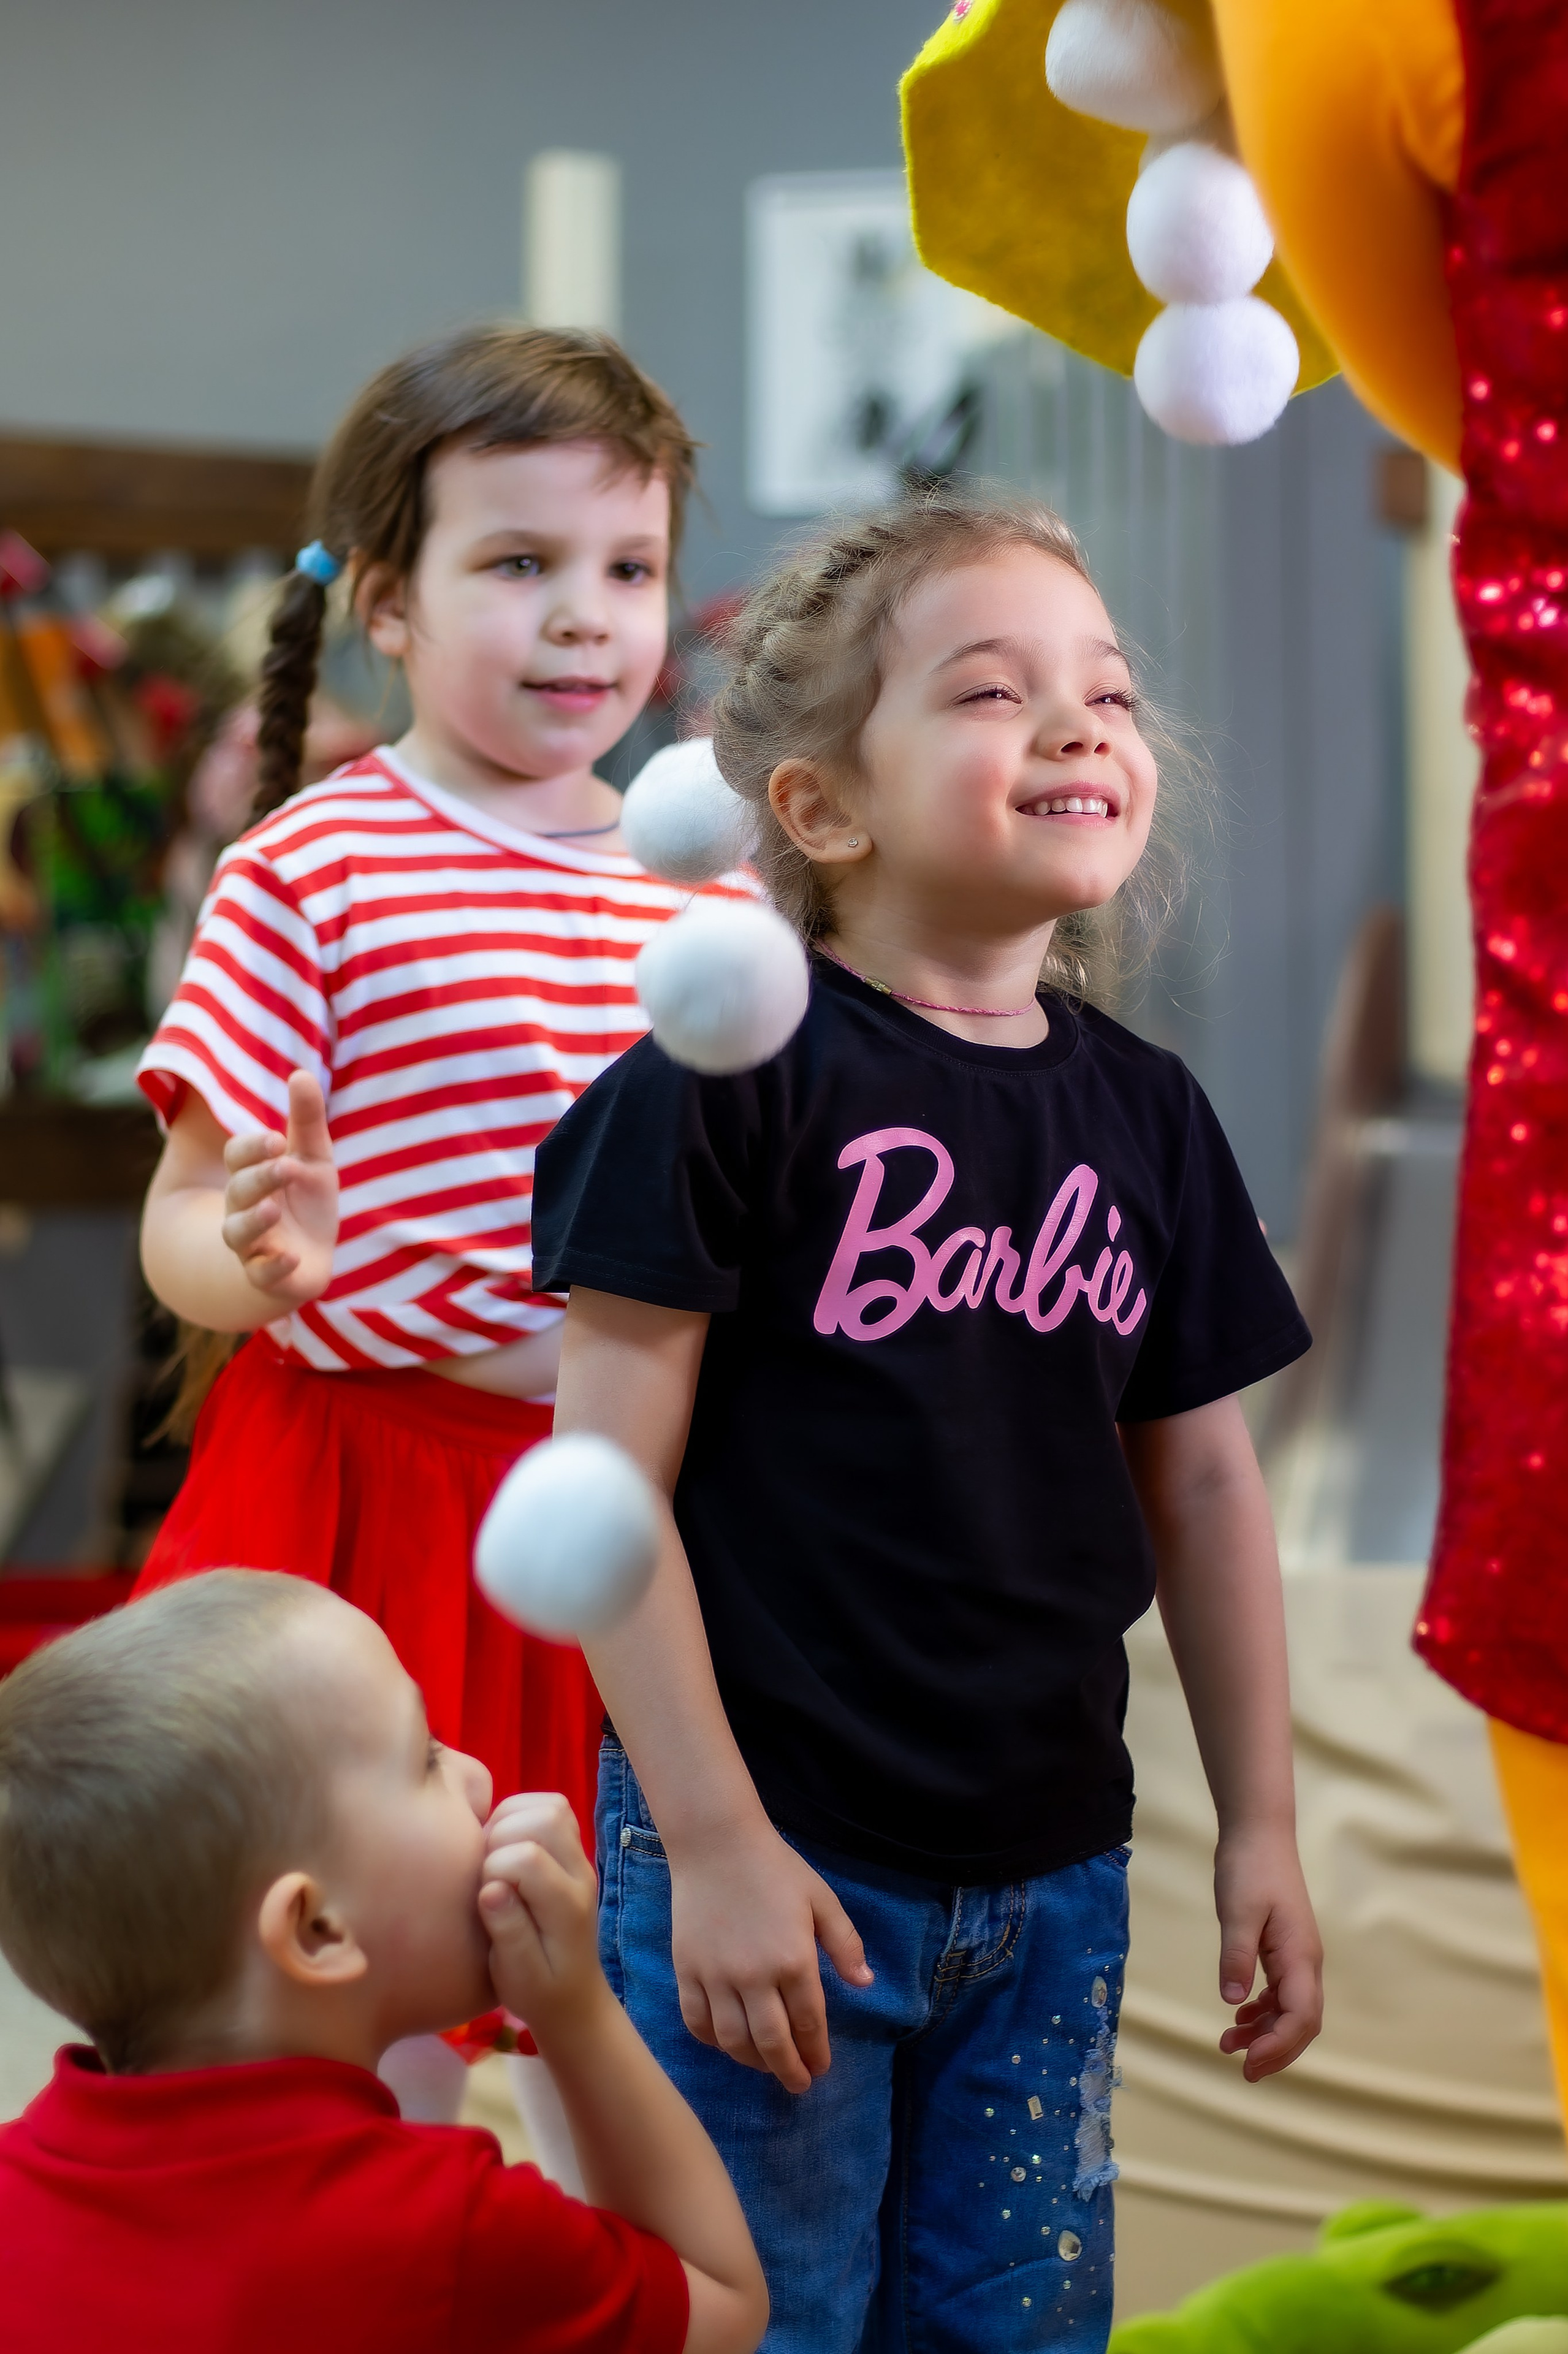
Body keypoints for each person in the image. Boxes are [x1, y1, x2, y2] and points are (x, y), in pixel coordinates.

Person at [529, 493, 1326, 2353]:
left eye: (1105, 692)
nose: (1076, 726)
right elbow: (597, 1499)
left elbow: (1202, 1485)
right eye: (991, 691)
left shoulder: (1146, 1110)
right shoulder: (718, 1080)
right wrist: (713, 1840)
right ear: (821, 807)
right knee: (772, 2320)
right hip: (776, 1857)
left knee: (1018, 2332)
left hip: (1051, 1870)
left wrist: (1260, 1824)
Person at [134, 323, 745, 2128]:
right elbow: (185, 1214)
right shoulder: (312, 864)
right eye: (519, 564)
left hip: (629, 1500)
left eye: (626, 568)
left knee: (604, 1994)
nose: (586, 617)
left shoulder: (689, 873)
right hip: (369, 1498)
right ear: (388, 603)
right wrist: (245, 1254)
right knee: (366, 1998)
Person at [0, 1572, 767, 2354]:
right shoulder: (454, 2231)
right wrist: (576, 2012)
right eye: (425, 1757)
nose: (475, 1774)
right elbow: (722, 2301)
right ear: (317, 1929)